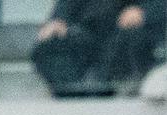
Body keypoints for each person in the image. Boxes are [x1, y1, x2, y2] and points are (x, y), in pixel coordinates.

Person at [33, 0, 166, 95]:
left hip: (131, 33)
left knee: (133, 41)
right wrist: (58, 19)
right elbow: (66, 6)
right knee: (50, 46)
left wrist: (145, 12)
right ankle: (73, 89)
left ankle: (118, 85)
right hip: (90, 32)